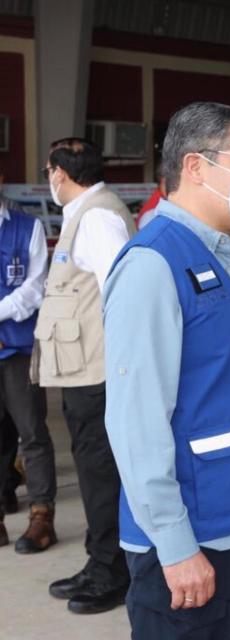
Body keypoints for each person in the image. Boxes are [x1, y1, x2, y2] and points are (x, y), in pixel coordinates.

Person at [104, 101, 230, 640]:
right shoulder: (153, 263)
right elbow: (135, 420)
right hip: (195, 542)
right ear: (195, 167)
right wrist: (174, 541)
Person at [32, 139, 136, 614]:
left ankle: (112, 572)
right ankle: (99, 562)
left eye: (49, 170)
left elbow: (124, 291)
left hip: (98, 373)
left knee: (101, 476)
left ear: (59, 174)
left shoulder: (97, 217)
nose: (48, 178)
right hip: (80, 371)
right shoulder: (82, 214)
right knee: (95, 474)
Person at [0, 171, 56, 552]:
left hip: (19, 349)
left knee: (32, 432)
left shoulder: (27, 227)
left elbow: (35, 288)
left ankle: (41, 516)